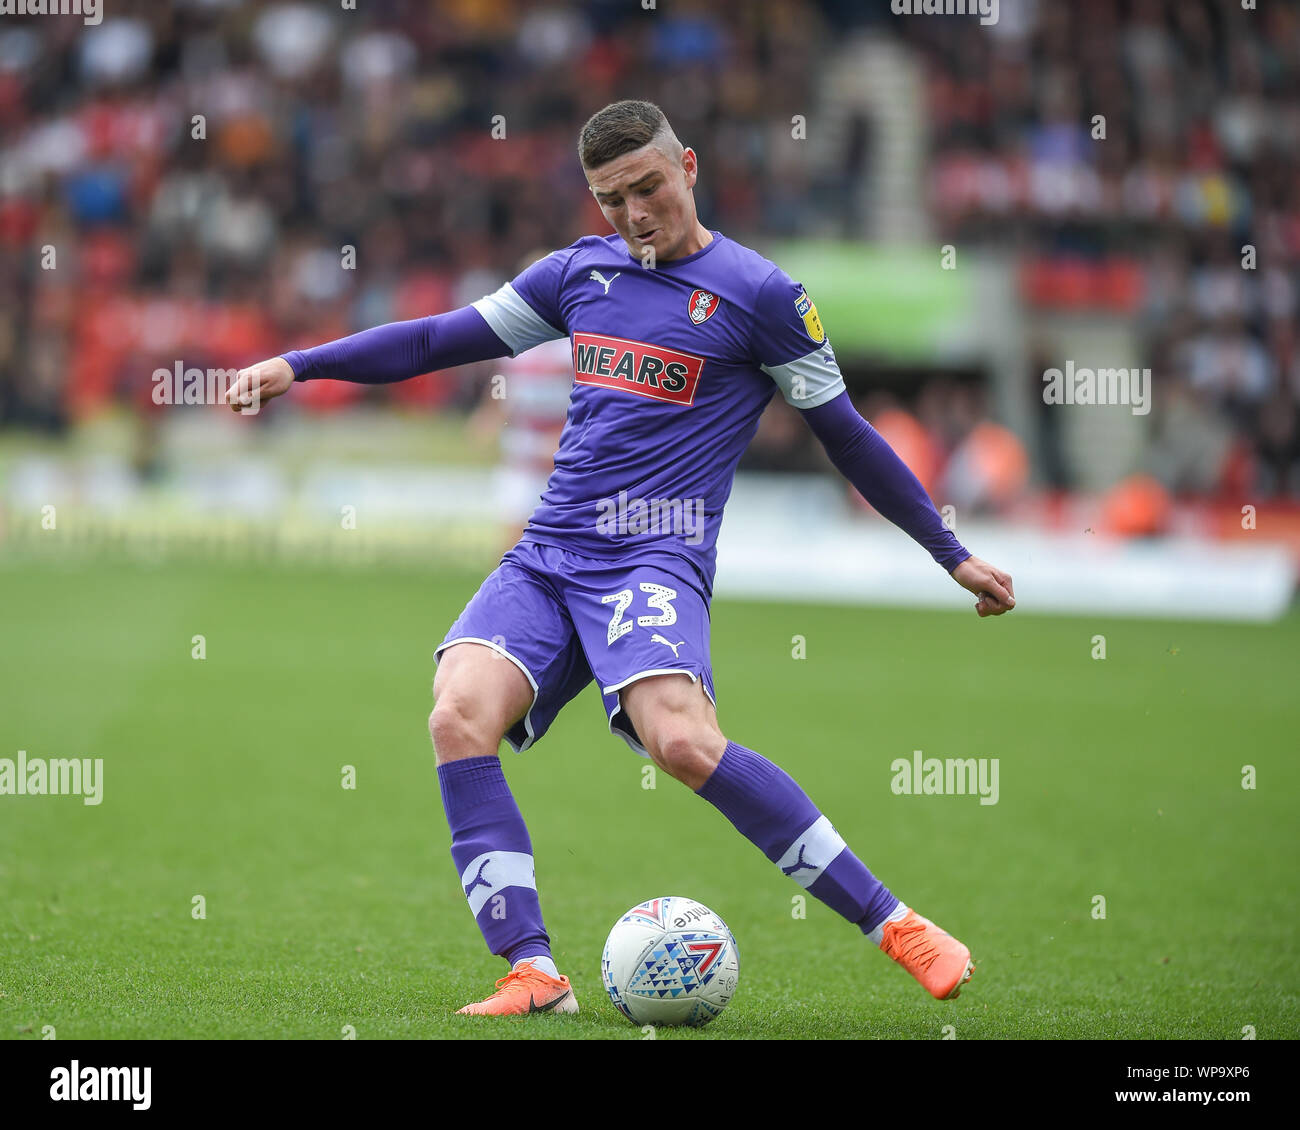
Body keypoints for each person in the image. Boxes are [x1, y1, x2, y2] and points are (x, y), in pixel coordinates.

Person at [226, 100, 1015, 1017]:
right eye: (612, 199)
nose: (635, 215)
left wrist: (947, 553)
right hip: (550, 552)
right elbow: (440, 339)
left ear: (688, 167)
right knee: (457, 716)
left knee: (680, 741)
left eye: (648, 188)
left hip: (653, 559)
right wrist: (301, 364)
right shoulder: (579, 274)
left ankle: (896, 924)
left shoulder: (761, 296)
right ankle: (533, 971)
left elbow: (847, 436)